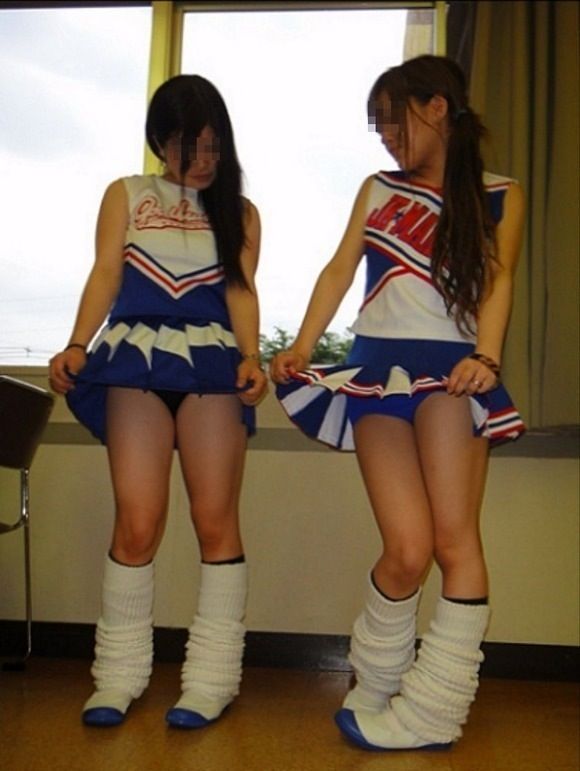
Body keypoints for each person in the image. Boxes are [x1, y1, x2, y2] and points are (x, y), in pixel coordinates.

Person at [270, 55, 525, 752]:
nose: (384, 136)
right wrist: (303, 345)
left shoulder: (500, 192)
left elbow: (498, 281)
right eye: (377, 125)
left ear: (437, 106)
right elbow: (339, 267)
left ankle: (434, 712)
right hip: (377, 371)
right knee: (407, 549)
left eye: (392, 119)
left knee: (454, 540)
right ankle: (379, 677)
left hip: (454, 373)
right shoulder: (377, 187)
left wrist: (486, 358)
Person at [48, 74, 267, 729]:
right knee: (137, 522)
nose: (202, 159)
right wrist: (77, 343)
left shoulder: (241, 212)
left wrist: (251, 356)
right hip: (134, 359)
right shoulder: (126, 193)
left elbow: (241, 289)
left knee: (215, 521)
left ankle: (212, 680)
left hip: (211, 365)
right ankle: (117, 675)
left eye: (212, 145)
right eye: (187, 145)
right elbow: (106, 272)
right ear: (160, 141)